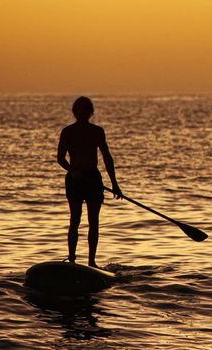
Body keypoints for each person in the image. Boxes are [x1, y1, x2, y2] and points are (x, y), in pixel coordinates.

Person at [57, 97, 122, 268]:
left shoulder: (97, 132)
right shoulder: (68, 132)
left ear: (90, 112)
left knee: (94, 221)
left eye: (86, 109)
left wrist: (115, 184)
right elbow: (60, 158)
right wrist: (72, 171)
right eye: (79, 109)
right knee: (75, 220)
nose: (82, 112)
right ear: (74, 112)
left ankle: (91, 262)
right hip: (74, 180)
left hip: (93, 179)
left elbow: (107, 158)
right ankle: (72, 260)